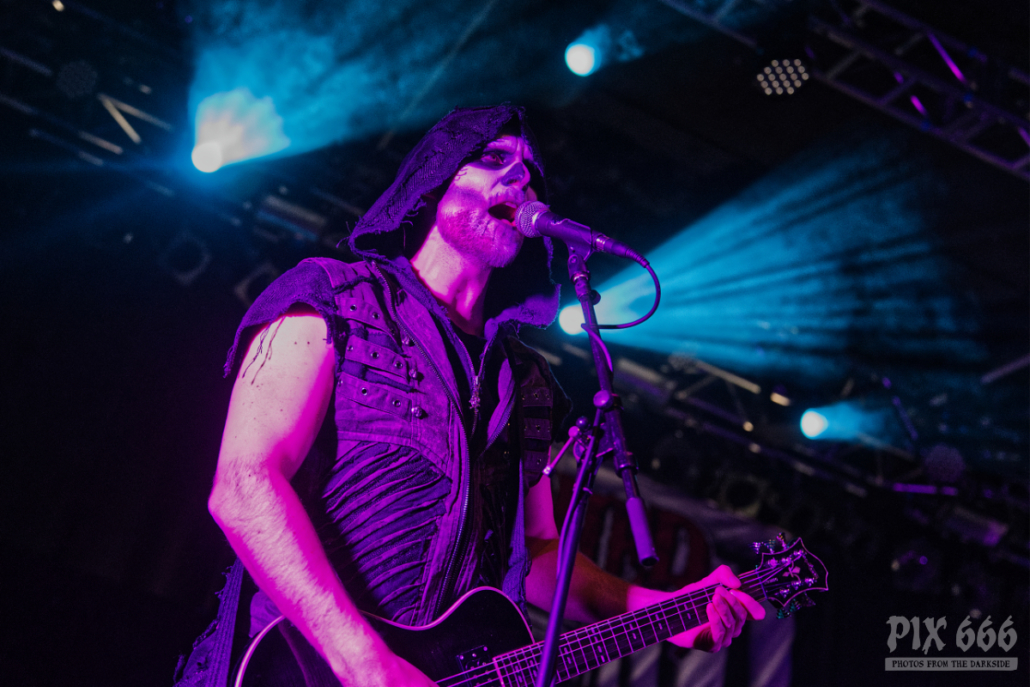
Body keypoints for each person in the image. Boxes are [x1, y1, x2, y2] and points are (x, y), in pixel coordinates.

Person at [200, 104, 764, 687]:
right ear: (435, 178)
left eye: (531, 173)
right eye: (493, 158)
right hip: (298, 669)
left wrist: (660, 610)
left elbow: (537, 552)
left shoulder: (526, 382)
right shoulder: (335, 299)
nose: (520, 178)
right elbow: (244, 486)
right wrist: (365, 661)